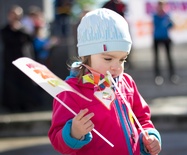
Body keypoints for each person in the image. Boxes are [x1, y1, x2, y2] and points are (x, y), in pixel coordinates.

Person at [48, 8, 161, 155]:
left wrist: (149, 136)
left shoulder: (126, 82)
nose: (116, 67)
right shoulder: (69, 91)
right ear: (86, 55)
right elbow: (57, 140)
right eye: (108, 59)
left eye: (122, 59)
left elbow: (142, 118)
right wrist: (74, 133)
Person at [0, 5, 41, 112]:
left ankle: (27, 104)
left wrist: (19, 29)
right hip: (10, 61)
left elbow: (30, 39)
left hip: (23, 61)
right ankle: (12, 105)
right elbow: (6, 39)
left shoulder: (24, 29)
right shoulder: (5, 30)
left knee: (25, 83)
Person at [152, 0, 179, 85]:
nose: (161, 7)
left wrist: (171, 20)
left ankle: (172, 75)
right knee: (157, 58)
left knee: (169, 57)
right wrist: (165, 19)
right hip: (157, 38)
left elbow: (172, 26)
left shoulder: (168, 15)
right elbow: (158, 25)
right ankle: (158, 76)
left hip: (166, 38)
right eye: (160, 6)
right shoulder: (155, 16)